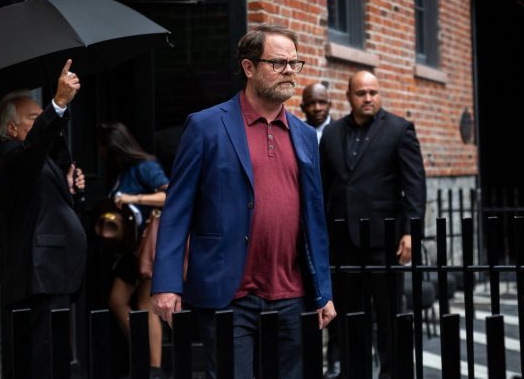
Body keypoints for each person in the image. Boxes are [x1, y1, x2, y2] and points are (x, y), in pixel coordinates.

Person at [151, 24, 336, 379]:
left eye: (294, 63)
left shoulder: (304, 134)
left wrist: (323, 291)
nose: (289, 71)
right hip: (230, 293)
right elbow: (176, 211)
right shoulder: (205, 126)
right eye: (278, 63)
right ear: (249, 67)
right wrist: (167, 283)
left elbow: (314, 218)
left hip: (292, 294)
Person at [319, 70, 426, 379]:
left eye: (373, 92)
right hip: (343, 242)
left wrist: (410, 231)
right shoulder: (332, 133)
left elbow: (414, 185)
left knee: (390, 316)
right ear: (348, 96)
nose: (368, 98)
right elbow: (323, 186)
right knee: (351, 317)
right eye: (361, 93)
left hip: (385, 241)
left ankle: (394, 374)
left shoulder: (399, 129)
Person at [0, 60, 87, 379]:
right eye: (33, 117)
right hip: (39, 274)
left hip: (55, 273)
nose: (41, 118)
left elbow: (46, 162)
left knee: (58, 356)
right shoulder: (7, 156)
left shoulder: (41, 160)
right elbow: (33, 151)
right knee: (41, 360)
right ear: (11, 128)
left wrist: (70, 188)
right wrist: (57, 103)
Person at [96, 122, 169, 379]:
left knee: (141, 303)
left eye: (100, 146)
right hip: (130, 250)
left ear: (110, 146)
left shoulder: (145, 166)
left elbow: (168, 195)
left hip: (147, 247)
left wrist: (133, 199)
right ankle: (146, 362)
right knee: (125, 302)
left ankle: (153, 368)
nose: (99, 152)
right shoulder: (120, 172)